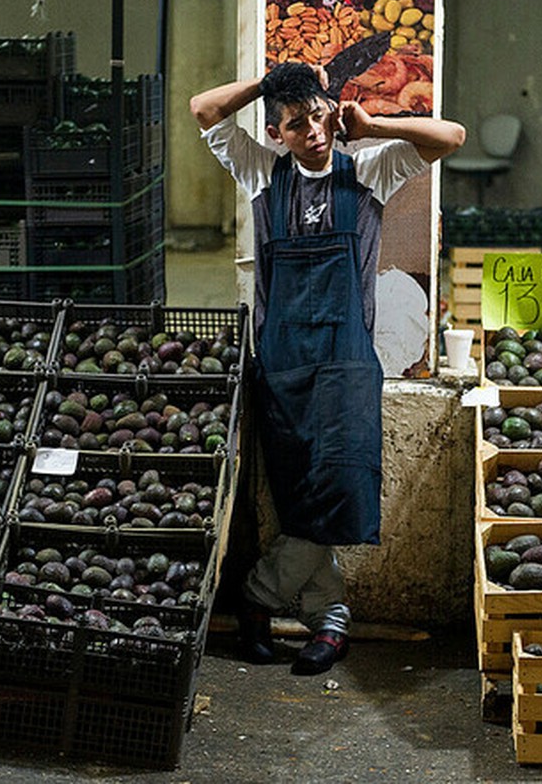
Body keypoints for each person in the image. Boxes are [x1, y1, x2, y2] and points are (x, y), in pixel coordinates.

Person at [190, 62, 465, 676]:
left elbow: (452, 137)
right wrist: (269, 83)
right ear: (276, 132)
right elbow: (203, 110)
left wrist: (372, 122)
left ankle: (257, 596)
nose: (312, 132)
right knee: (296, 498)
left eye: (317, 116)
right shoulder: (261, 173)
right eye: (295, 124)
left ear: (330, 114)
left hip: (345, 362)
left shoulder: (369, 168)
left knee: (339, 489)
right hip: (282, 362)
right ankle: (329, 618)